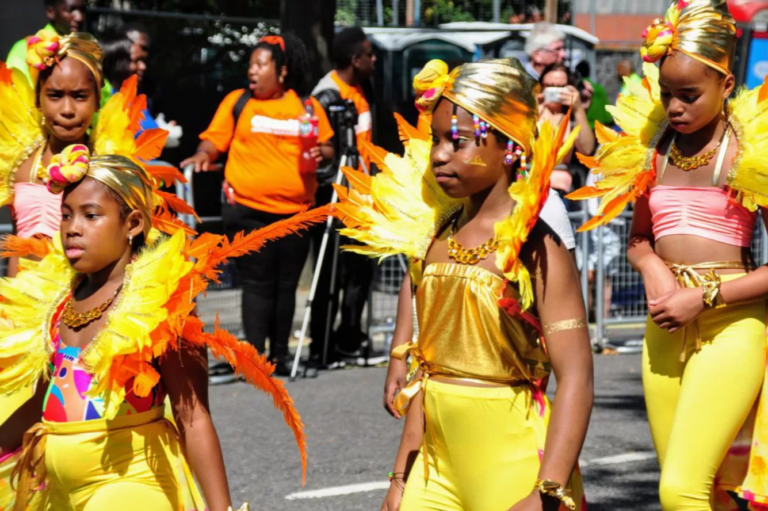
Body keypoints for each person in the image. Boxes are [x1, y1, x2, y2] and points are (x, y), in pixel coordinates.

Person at [0, 82, 319, 508]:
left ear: (132, 223)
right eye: (67, 215)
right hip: (60, 492)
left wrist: (220, 507)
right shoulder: (60, 301)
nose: (72, 228)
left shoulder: (162, 307)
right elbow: (44, 397)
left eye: (91, 216)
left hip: (130, 486)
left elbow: (193, 417)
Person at [333, 58, 593, 511]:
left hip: (512, 466)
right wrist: (400, 476)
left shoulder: (537, 246)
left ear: (510, 147)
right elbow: (428, 373)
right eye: (435, 139)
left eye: (458, 141)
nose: (438, 154)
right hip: (434, 470)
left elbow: (577, 378)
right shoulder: (436, 238)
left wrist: (547, 490)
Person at [568, 0, 768, 508]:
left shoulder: (752, 150)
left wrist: (702, 297)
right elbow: (640, 239)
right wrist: (654, 269)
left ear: (726, 85)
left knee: (680, 489)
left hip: (732, 326)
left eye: (689, 95)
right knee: (705, 489)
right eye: (666, 94)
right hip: (664, 330)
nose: (675, 106)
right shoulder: (653, 148)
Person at [181, 34, 334, 378]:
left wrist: (320, 153)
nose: (252, 71)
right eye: (251, 64)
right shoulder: (238, 102)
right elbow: (214, 140)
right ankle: (253, 359)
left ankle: (280, 356)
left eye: (261, 64)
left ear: (281, 71)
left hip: (297, 212)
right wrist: (203, 155)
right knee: (257, 284)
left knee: (285, 285)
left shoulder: (306, 107)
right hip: (247, 210)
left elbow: (328, 148)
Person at [308, 27, 376, 370]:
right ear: (355, 59)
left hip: (364, 193)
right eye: (369, 54)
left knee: (361, 271)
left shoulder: (364, 89)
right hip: (336, 194)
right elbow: (321, 153)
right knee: (330, 274)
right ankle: (321, 345)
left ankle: (350, 337)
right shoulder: (327, 94)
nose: (373, 59)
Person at [538, 63, 596, 194]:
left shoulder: (571, 117)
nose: (554, 91)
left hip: (560, 186)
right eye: (549, 86)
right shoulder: (533, 112)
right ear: (541, 87)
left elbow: (586, 149)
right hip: (529, 181)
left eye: (560, 87)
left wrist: (578, 108)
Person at [6, 0, 86, 85]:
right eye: (70, 10)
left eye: (83, 10)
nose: (79, 18)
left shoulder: (89, 50)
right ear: (51, 12)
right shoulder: (24, 49)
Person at [575, 60, 613, 129]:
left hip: (584, 126)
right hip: (599, 126)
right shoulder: (599, 88)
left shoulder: (576, 88)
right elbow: (606, 108)